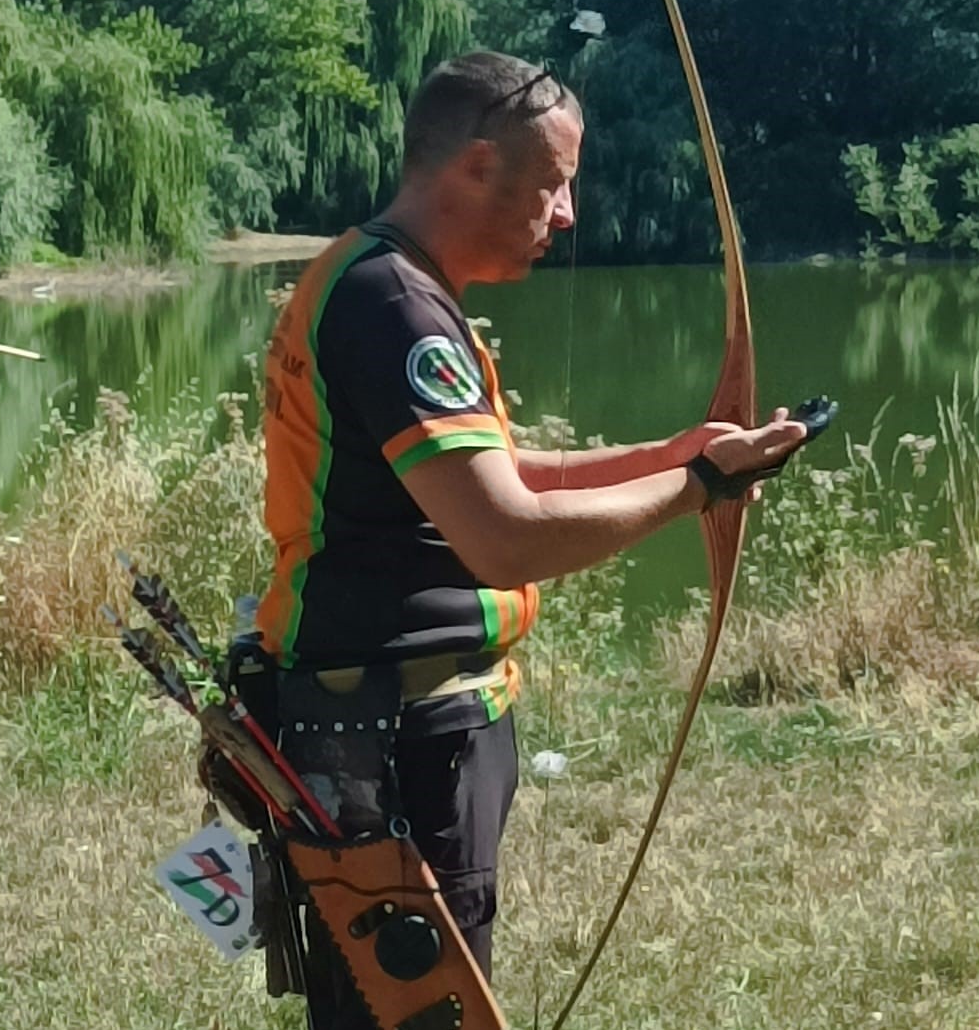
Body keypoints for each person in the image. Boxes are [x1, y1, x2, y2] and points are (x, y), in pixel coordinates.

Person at [256, 52, 811, 1024]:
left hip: (386, 730)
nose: (567, 215)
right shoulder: (394, 305)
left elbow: (495, 482)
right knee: (418, 1009)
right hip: (399, 741)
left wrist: (669, 452)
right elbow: (504, 539)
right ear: (474, 165)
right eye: (553, 185)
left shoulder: (386, 281)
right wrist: (695, 489)